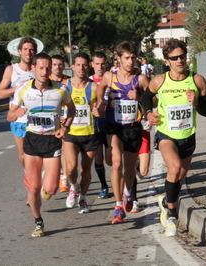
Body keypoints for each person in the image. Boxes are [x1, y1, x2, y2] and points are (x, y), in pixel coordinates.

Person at [141, 38, 206, 236]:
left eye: (182, 56)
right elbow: (145, 97)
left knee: (178, 177)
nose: (180, 60)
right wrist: (148, 113)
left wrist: (197, 101)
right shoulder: (159, 81)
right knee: (174, 168)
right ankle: (171, 216)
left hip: (188, 136)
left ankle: (165, 202)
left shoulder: (197, 80)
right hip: (166, 135)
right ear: (167, 61)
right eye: (175, 58)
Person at [7, 53, 75, 237]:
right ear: (34, 69)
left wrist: (66, 128)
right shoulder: (23, 90)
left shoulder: (61, 89)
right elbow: (10, 116)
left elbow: (72, 110)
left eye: (48, 68)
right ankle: (38, 222)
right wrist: (18, 112)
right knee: (34, 188)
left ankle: (45, 190)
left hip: (52, 141)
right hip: (32, 140)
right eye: (41, 68)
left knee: (51, 189)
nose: (45, 72)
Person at [96, 41, 149, 224]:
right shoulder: (110, 77)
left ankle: (127, 192)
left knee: (129, 169)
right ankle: (118, 207)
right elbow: (100, 88)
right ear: (118, 59)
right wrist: (100, 102)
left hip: (133, 128)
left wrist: (140, 97)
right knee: (116, 163)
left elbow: (154, 101)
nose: (130, 61)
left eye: (133, 57)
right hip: (114, 126)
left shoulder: (141, 79)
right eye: (126, 58)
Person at [0, 36, 37, 202]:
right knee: (22, 154)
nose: (28, 52)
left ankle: (32, 189)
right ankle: (28, 174)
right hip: (19, 120)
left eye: (31, 49)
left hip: (36, 120)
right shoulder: (11, 70)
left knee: (34, 155)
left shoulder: (38, 69)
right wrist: (16, 88)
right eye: (25, 49)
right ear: (19, 52)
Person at [63, 52, 102, 214]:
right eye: (78, 65)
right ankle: (73, 187)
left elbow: (102, 105)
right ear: (73, 67)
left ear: (89, 66)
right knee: (71, 168)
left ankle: (83, 199)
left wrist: (99, 109)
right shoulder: (65, 86)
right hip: (71, 133)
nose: (81, 68)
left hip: (89, 134)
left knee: (85, 170)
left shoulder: (94, 87)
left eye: (84, 65)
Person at [90, 51, 111, 199]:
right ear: (92, 65)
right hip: (95, 125)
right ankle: (104, 186)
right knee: (98, 157)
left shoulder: (111, 79)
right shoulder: (88, 82)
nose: (100, 66)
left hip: (110, 123)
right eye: (97, 64)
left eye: (103, 63)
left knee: (112, 159)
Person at [50, 54, 70, 192]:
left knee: (64, 149)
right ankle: (56, 173)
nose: (58, 67)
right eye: (55, 64)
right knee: (52, 151)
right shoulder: (46, 81)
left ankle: (64, 177)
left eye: (60, 64)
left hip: (65, 119)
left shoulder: (68, 82)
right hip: (50, 121)